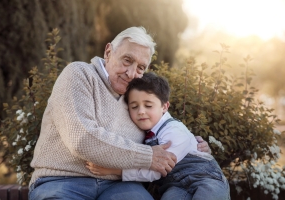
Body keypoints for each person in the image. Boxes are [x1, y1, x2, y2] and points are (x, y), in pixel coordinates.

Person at [28, 26, 211, 200]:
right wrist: (147, 156)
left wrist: (194, 147)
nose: (131, 73)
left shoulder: (135, 99)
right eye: (127, 60)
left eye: (140, 67)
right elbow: (81, 139)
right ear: (108, 52)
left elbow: (162, 130)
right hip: (62, 180)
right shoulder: (79, 74)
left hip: (119, 185)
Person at [86, 72, 230, 200]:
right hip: (175, 186)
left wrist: (114, 171)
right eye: (134, 107)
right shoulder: (144, 133)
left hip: (205, 179)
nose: (141, 111)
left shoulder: (173, 130)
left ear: (164, 107)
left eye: (148, 106)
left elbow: (156, 170)